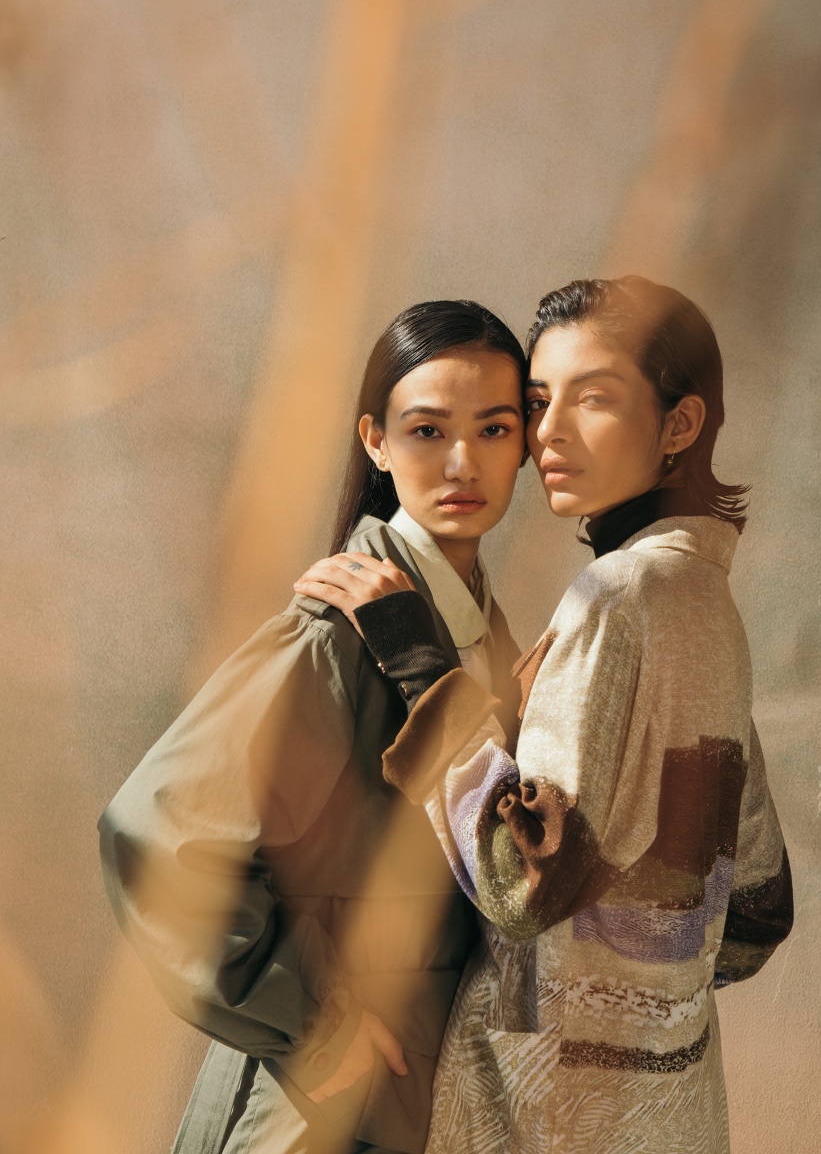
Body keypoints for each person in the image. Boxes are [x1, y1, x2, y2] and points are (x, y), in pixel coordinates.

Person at [299, 276, 794, 1154]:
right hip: (672, 1108)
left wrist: (417, 656)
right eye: (537, 402)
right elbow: (757, 910)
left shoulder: (617, 598)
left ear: (680, 425)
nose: (548, 433)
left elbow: (524, 882)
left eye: (593, 397)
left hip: (544, 1112)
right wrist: (644, 1001)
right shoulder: (705, 604)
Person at [98, 300, 528, 1154]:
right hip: (325, 1111)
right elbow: (156, 835)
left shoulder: (475, 633)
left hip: (425, 1097)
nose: (462, 461)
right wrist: (317, 1021)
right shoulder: (338, 631)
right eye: (427, 431)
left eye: (494, 428)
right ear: (376, 442)